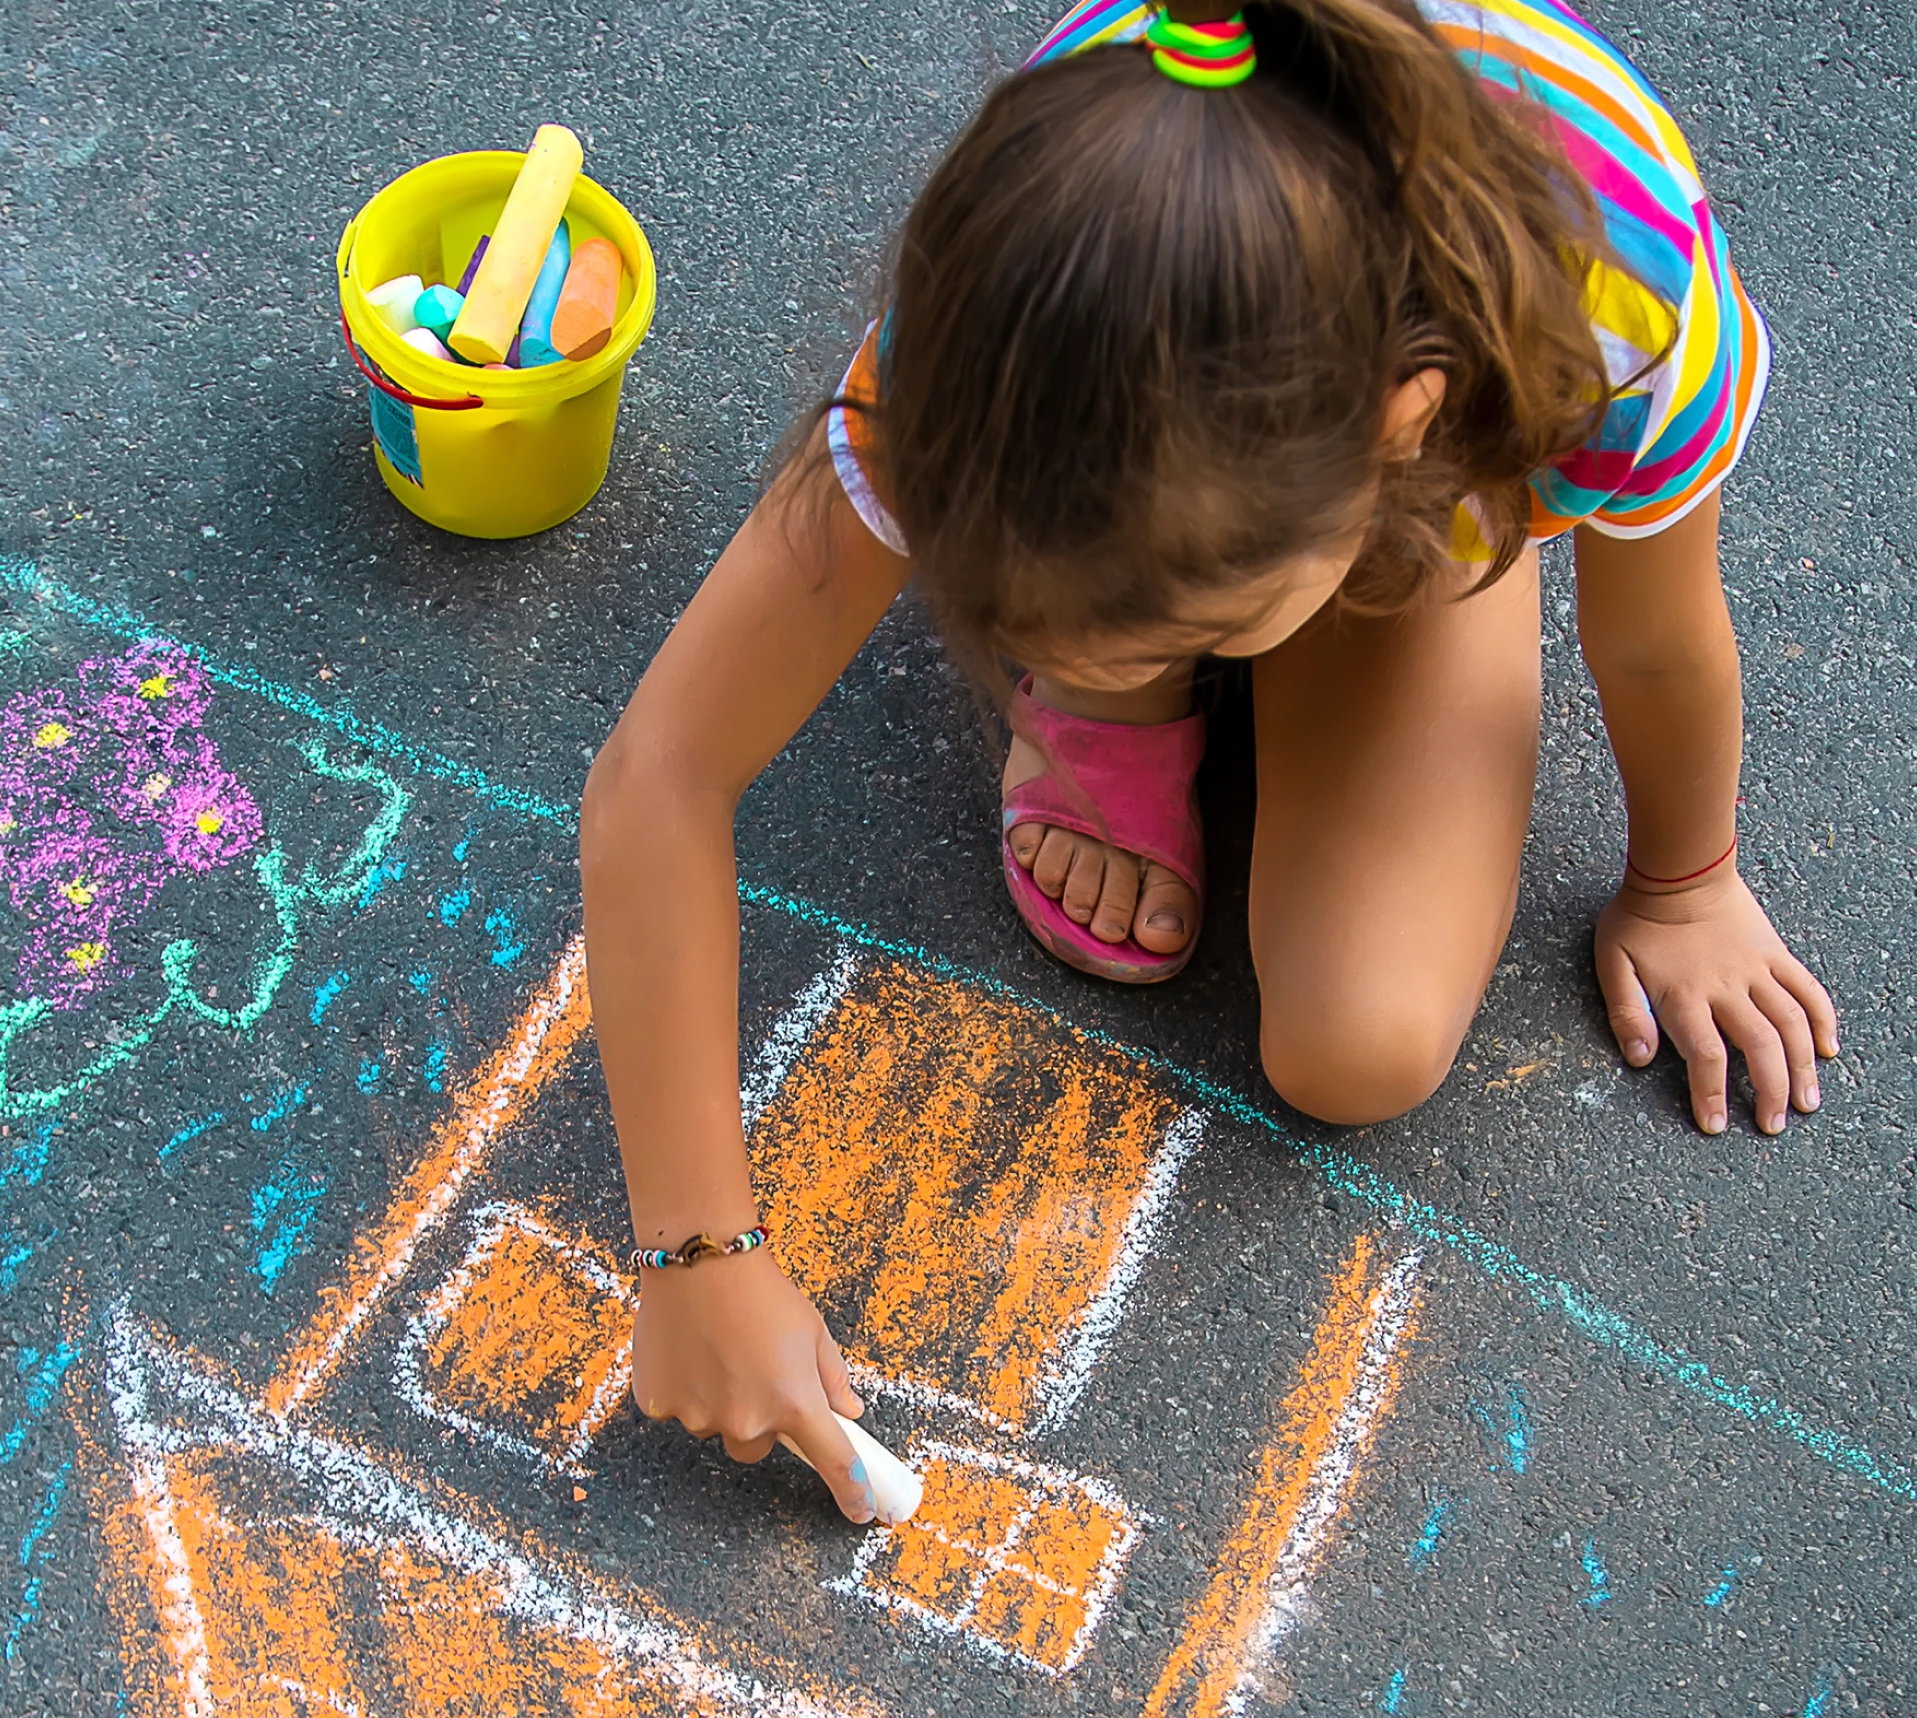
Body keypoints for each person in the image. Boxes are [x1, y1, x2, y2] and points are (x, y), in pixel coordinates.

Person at [577, 0, 1837, 1521]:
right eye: (1029, 626)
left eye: (1168, 628)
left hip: (1443, 480)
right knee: (1155, 595)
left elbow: (1652, 639)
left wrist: (1686, 880)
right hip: (1233, 433)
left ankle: (1316, 582)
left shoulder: (1615, 299)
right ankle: (1127, 630)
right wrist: (695, 1249)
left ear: (1396, 430)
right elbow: (661, 772)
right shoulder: (993, 332)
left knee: (1361, 1040)